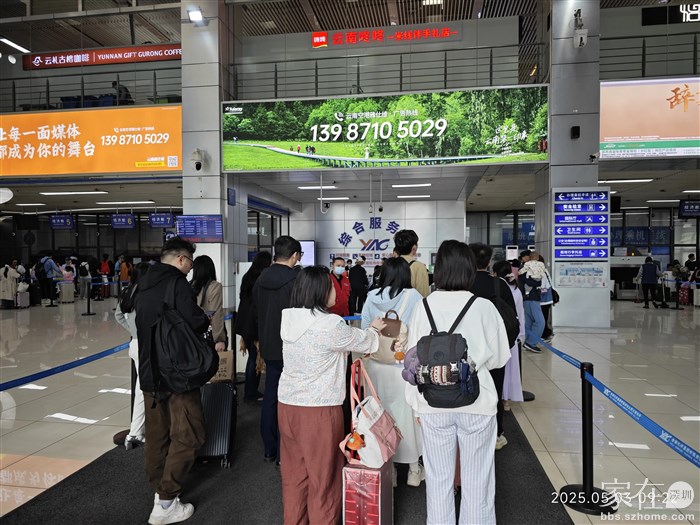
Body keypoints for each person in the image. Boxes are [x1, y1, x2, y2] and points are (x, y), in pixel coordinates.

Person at [404, 240, 511, 524]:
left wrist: (415, 404)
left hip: (432, 401)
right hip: (477, 401)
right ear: (469, 270)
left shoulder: (423, 306)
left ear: (438, 270)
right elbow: (500, 358)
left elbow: (413, 358)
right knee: (478, 482)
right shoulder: (483, 307)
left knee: (438, 480)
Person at [278, 265, 385, 525]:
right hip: (319, 411)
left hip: (287, 406)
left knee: (294, 477)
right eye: (330, 286)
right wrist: (374, 329)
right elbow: (367, 342)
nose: (335, 290)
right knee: (323, 480)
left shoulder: (289, 319)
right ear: (320, 291)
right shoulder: (330, 325)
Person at [134, 238, 210, 525]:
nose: (191, 268)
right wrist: (205, 319)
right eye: (190, 261)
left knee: (157, 436)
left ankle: (160, 490)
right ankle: (166, 502)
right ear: (180, 259)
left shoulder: (143, 283)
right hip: (177, 373)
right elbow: (195, 321)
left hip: (149, 373)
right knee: (190, 433)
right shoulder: (177, 284)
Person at [360, 257, 424, 486]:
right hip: (403, 367)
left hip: (376, 366)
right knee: (407, 417)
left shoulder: (371, 296)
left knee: (380, 415)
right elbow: (420, 331)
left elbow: (365, 329)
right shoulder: (414, 297)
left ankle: (391, 470)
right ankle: (414, 470)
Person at [253, 236, 302, 464]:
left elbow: (256, 310)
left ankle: (269, 448)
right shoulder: (296, 281)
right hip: (291, 345)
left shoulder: (261, 279)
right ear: (295, 255)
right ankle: (286, 451)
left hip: (269, 345)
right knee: (292, 399)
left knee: (271, 394)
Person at [468, 243, 515, 451]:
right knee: (495, 390)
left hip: (468, 347)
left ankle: (470, 431)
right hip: (494, 347)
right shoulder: (499, 284)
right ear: (488, 262)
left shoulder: (462, 283)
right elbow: (512, 318)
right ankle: (496, 434)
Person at [115, 262, 151, 450]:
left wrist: (133, 331)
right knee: (143, 389)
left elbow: (118, 315)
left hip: (135, 345)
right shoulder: (146, 294)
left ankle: (137, 431)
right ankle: (136, 433)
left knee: (141, 388)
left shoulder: (126, 292)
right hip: (146, 346)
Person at [233, 251, 272, 402]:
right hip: (254, 324)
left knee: (252, 357)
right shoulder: (262, 279)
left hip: (244, 323)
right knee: (254, 359)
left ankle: (251, 391)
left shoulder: (247, 276)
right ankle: (250, 393)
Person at [492, 261, 524, 412]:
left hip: (500, 333)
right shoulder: (515, 289)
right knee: (511, 369)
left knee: (500, 368)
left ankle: (500, 398)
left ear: (495, 272)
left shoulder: (497, 286)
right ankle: (507, 400)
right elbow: (520, 314)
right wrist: (521, 335)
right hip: (512, 332)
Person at [191, 255, 227, 352]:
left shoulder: (189, 285)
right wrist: (219, 339)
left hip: (192, 335)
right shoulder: (215, 286)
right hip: (209, 334)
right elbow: (216, 312)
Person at [518, 251, 545, 353]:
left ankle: (528, 342)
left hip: (528, 298)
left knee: (529, 322)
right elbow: (532, 282)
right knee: (540, 322)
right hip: (531, 299)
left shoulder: (525, 268)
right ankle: (531, 342)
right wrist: (539, 282)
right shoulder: (525, 269)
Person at [394, 229, 430, 297]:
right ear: (414, 247)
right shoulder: (418, 267)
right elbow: (423, 295)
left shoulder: (390, 265)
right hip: (411, 303)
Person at [538, 255, 555, 343]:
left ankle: (546, 335)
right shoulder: (544, 270)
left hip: (544, 300)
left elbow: (543, 286)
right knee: (544, 317)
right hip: (546, 299)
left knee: (543, 318)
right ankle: (546, 334)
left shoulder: (542, 272)